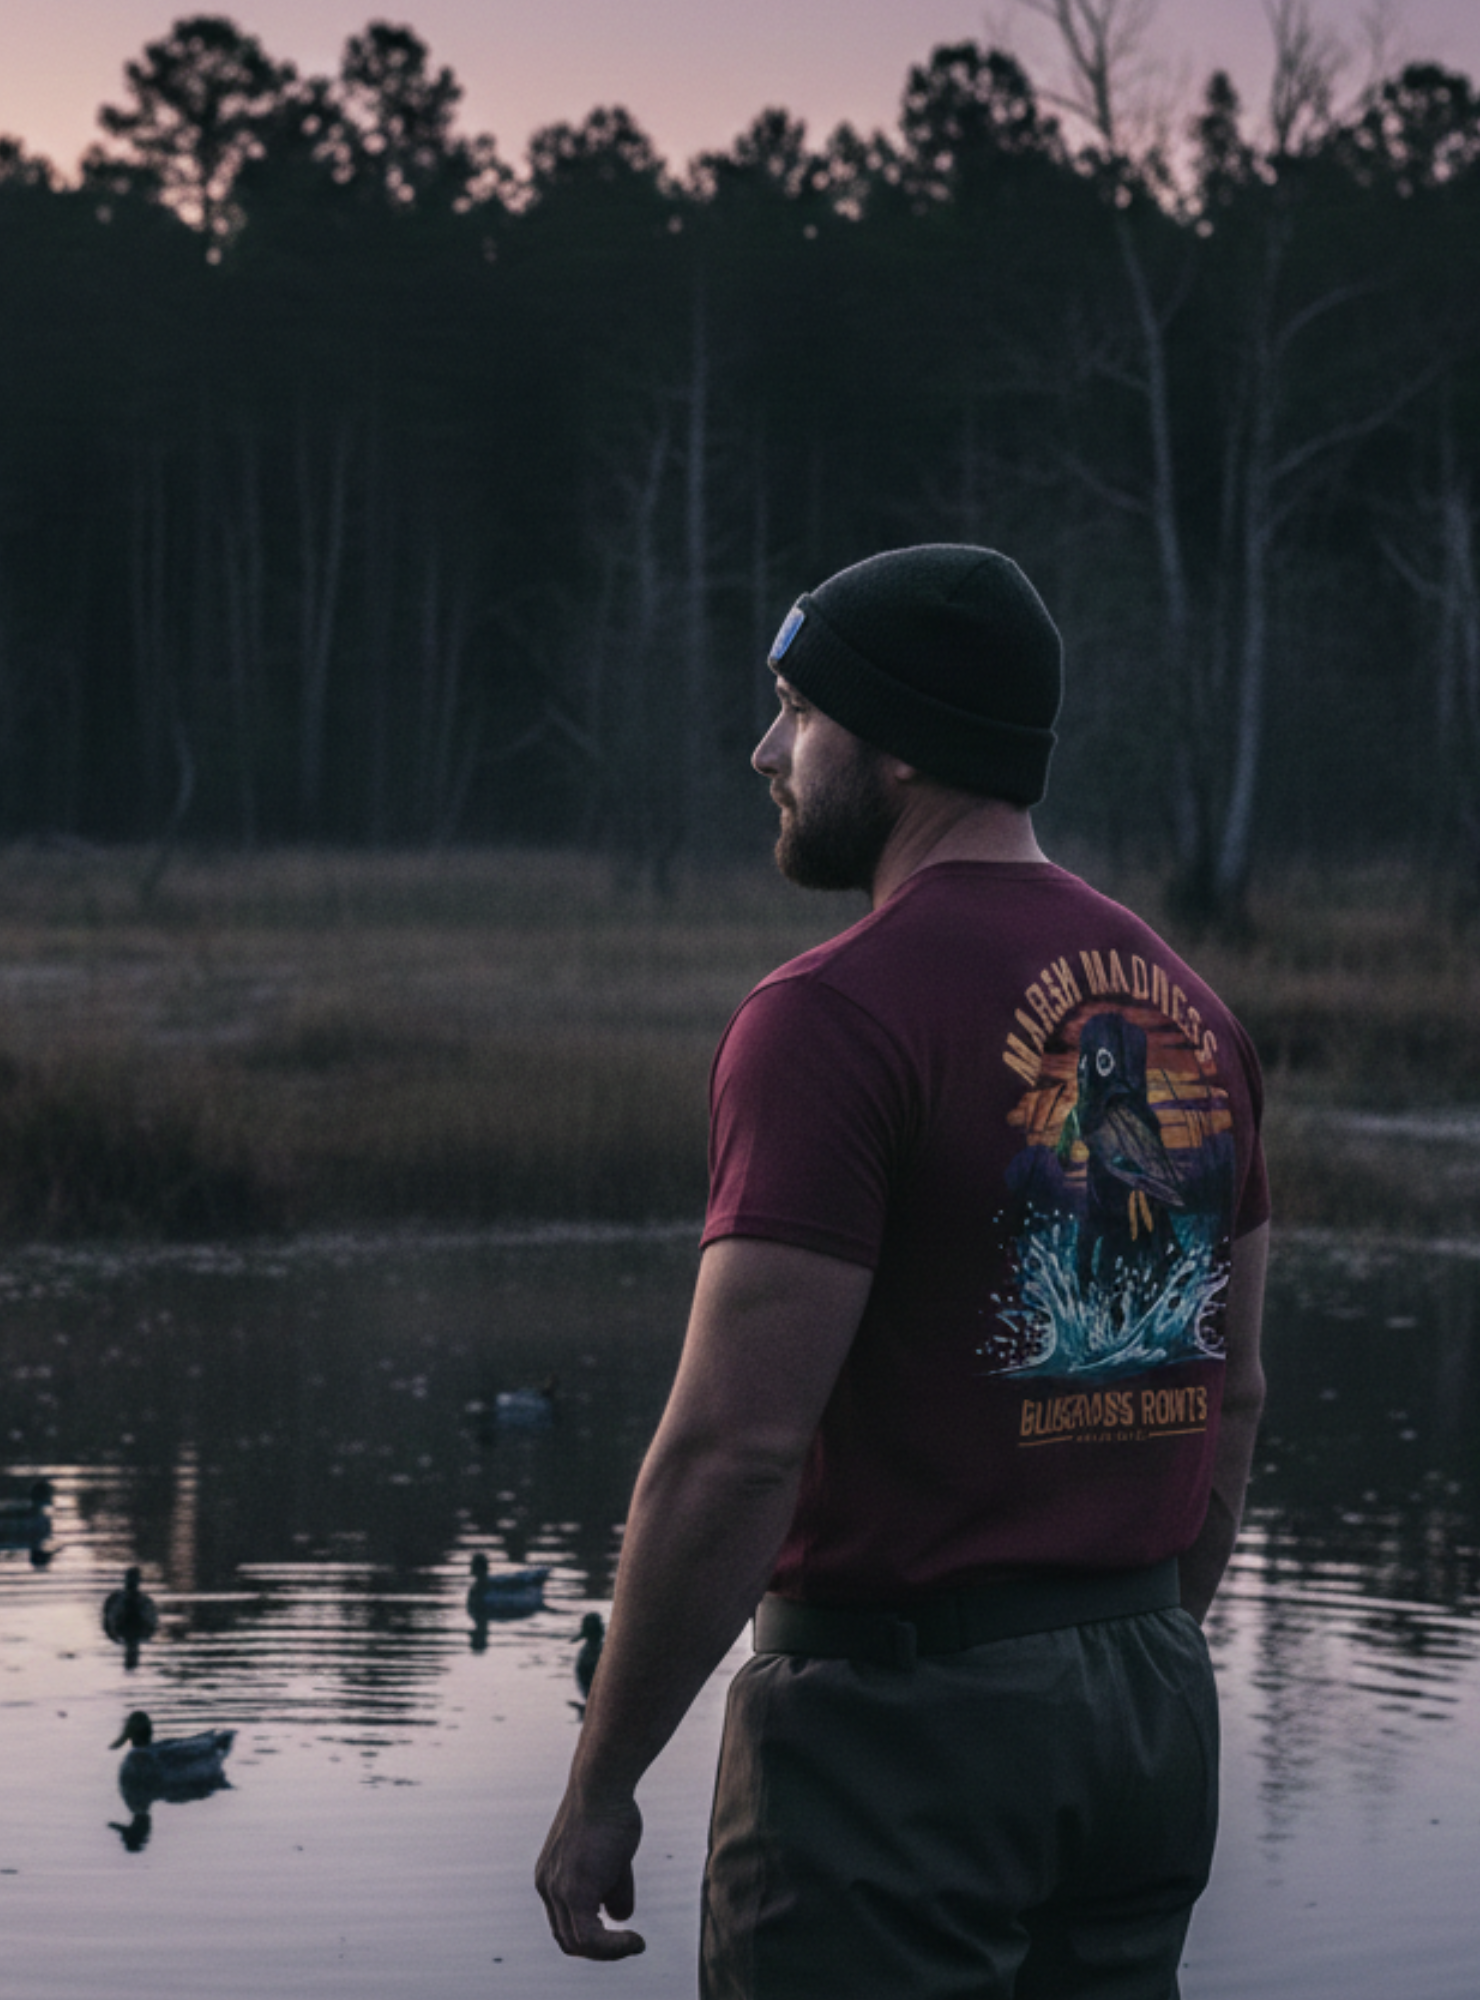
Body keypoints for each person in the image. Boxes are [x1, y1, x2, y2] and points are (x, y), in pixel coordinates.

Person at [535, 544, 1268, 1998]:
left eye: (799, 711)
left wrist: (604, 1779)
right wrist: (1127, 1651)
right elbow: (1232, 1401)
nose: (766, 751)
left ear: (907, 744)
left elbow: (733, 1453)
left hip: (899, 1745)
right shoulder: (1196, 1014)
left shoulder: (829, 1018)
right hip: (1147, 1710)